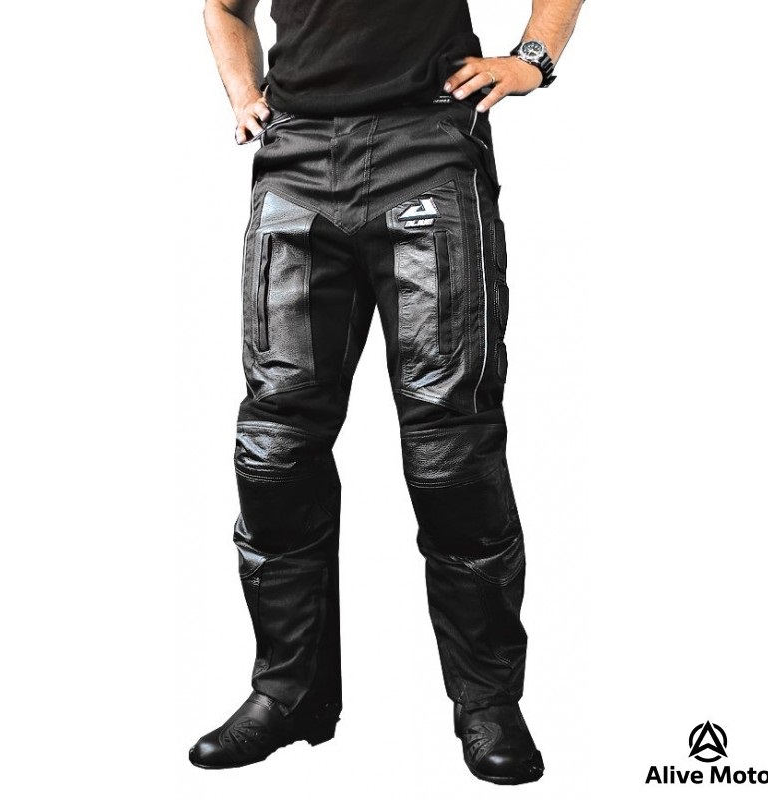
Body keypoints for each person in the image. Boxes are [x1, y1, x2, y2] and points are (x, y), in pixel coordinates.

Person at [190, 0, 584, 785]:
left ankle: (487, 702)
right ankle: (290, 693)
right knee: (274, 448)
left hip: (426, 145)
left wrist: (532, 61)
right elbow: (224, 8)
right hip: (297, 158)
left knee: (451, 450)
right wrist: (243, 96)